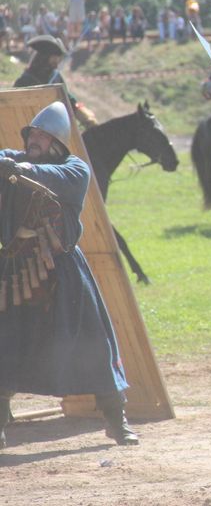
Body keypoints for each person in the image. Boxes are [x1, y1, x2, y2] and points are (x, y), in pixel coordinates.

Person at [0, 101, 138, 449]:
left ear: (58, 144)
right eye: (33, 133)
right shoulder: (11, 158)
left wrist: (15, 167)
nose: (35, 139)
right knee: (5, 344)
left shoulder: (74, 169)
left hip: (62, 267)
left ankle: (116, 420)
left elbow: (49, 176)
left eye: (43, 137)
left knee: (94, 344)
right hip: (17, 266)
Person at [14, 35, 97, 129]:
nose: (57, 62)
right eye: (54, 58)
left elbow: (67, 100)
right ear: (44, 58)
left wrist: (85, 117)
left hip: (55, 128)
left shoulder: (56, 77)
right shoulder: (25, 81)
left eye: (58, 58)